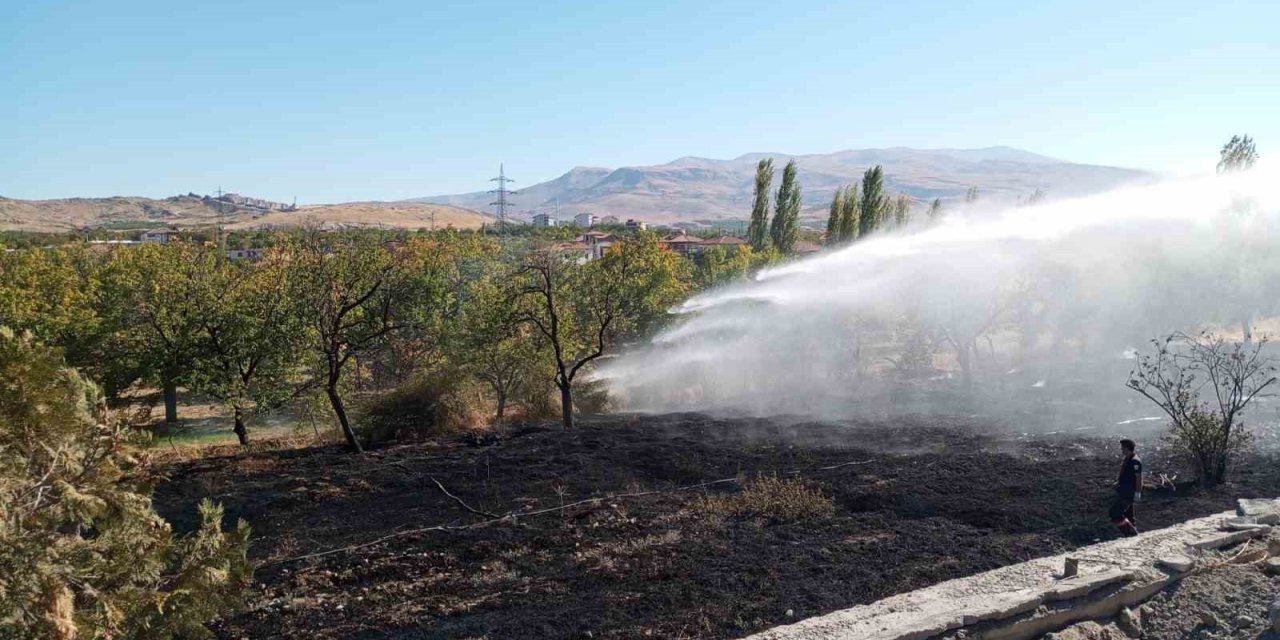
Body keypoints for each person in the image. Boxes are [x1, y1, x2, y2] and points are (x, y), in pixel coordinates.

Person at [1109, 438, 1143, 537]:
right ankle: (1134, 534)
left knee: (1115, 513)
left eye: (1122, 448)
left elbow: (1139, 478)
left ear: (1127, 448)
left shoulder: (1135, 461)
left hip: (1128, 493)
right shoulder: (1127, 459)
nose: (1121, 450)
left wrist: (1138, 492)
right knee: (1129, 515)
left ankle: (1130, 533)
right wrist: (1117, 482)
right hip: (1123, 490)